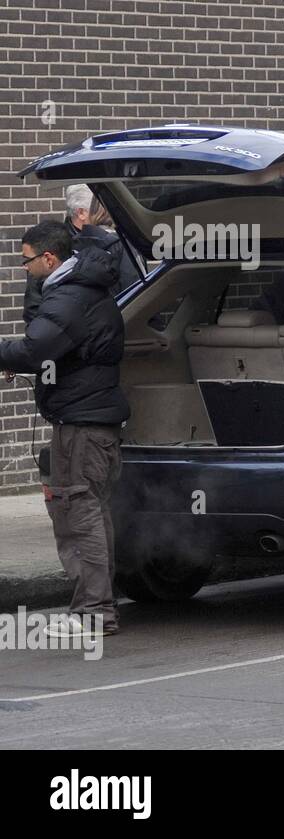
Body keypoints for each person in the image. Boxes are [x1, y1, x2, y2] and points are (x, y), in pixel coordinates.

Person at [2, 221, 130, 638]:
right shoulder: (82, 291)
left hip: (81, 425)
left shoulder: (71, 297)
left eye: (26, 261)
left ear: (49, 258)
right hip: (91, 421)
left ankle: (93, 612)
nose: (25, 269)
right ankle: (97, 605)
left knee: (78, 514)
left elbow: (36, 347)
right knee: (91, 512)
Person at [64, 184, 138, 296]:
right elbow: (134, 289)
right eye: (98, 206)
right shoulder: (59, 243)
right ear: (81, 213)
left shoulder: (62, 242)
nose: (106, 211)